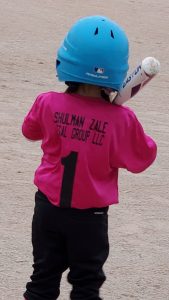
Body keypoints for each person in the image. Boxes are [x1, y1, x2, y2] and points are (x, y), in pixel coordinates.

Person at [22, 15, 157, 300]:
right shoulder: (122, 119)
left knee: (42, 279)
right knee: (86, 285)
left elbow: (29, 131)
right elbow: (142, 158)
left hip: (47, 210)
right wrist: (125, 125)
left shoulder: (47, 102)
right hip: (90, 219)